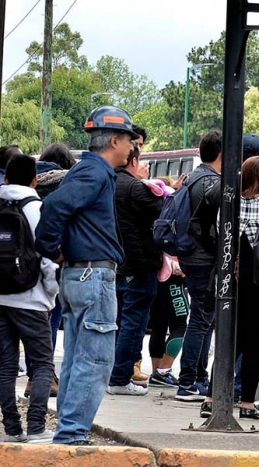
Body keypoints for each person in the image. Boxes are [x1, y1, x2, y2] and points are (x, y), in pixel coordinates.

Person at [35, 105, 138, 445]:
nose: (132, 147)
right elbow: (53, 207)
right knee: (95, 359)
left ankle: (68, 430)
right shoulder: (93, 173)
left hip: (83, 275)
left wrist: (58, 250)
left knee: (80, 357)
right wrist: (52, 248)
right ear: (115, 141)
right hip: (92, 276)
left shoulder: (91, 172)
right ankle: (71, 433)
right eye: (129, 140)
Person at [199, 155, 259, 419]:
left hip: (232, 276)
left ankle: (211, 398)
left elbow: (219, 232)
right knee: (255, 344)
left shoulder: (231, 202)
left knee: (230, 341)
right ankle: (248, 403)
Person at [0, 154, 59, 444]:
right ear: (35, 180)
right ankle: (36, 426)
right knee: (43, 363)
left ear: (6, 178)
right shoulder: (37, 208)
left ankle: (11, 428)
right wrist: (51, 292)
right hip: (32, 299)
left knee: (6, 365)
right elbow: (49, 258)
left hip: (1, 299)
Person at [107, 125, 163, 396]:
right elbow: (163, 212)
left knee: (116, 321)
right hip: (140, 264)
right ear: (135, 160)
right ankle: (120, 377)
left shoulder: (108, 183)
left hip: (115, 263)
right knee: (134, 322)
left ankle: (113, 373)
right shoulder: (135, 189)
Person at [23, 143, 75, 399]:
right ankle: (42, 378)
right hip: (52, 261)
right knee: (50, 320)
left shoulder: (30, 183)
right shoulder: (65, 183)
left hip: (20, 266)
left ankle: (33, 377)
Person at [174, 129, 222, 402]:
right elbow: (210, 226)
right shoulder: (210, 183)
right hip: (204, 258)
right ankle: (189, 380)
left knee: (205, 320)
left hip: (190, 256)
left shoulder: (192, 178)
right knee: (201, 320)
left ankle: (198, 377)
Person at [144, 176, 189, 388]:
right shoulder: (172, 209)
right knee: (180, 323)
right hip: (173, 276)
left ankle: (156, 372)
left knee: (159, 325)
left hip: (154, 275)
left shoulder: (149, 210)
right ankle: (164, 370)